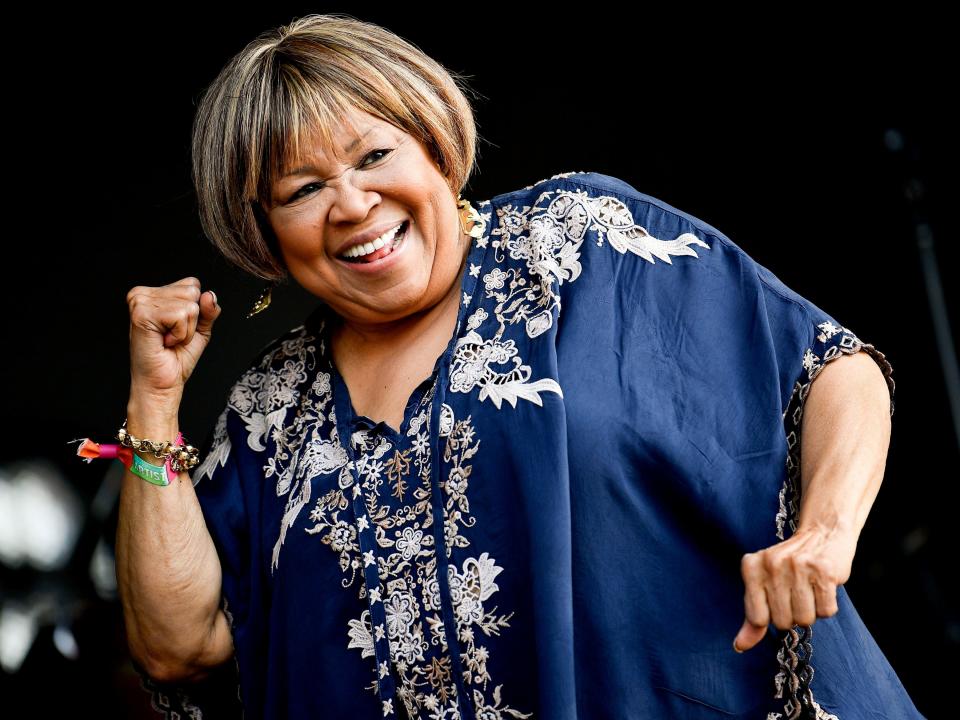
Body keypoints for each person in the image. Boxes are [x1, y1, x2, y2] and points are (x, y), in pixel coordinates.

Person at [109, 12, 926, 720]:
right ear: (266, 236)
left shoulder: (579, 244)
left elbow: (829, 368)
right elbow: (180, 647)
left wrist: (825, 532)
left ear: (433, 144)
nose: (352, 205)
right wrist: (153, 399)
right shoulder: (270, 411)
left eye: (372, 156)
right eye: (302, 189)